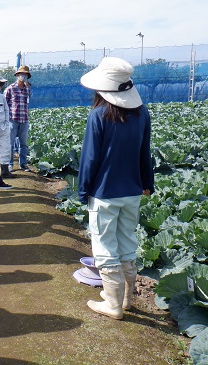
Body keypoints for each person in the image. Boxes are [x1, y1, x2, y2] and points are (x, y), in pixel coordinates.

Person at [78, 57, 155, 320]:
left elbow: (90, 159)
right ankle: (125, 299)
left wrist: (83, 190)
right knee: (126, 244)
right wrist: (148, 183)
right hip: (133, 191)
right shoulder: (142, 113)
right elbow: (145, 154)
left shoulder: (98, 115)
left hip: (104, 193)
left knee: (104, 247)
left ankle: (112, 304)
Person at [4, 65, 32, 172]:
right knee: (10, 143)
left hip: (24, 119)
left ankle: (23, 164)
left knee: (23, 144)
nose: (23, 76)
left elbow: (28, 101)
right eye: (21, 74)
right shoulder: (10, 88)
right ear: (17, 75)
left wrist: (28, 87)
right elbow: (5, 104)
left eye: (25, 75)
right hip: (13, 119)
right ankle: (10, 164)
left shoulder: (27, 89)